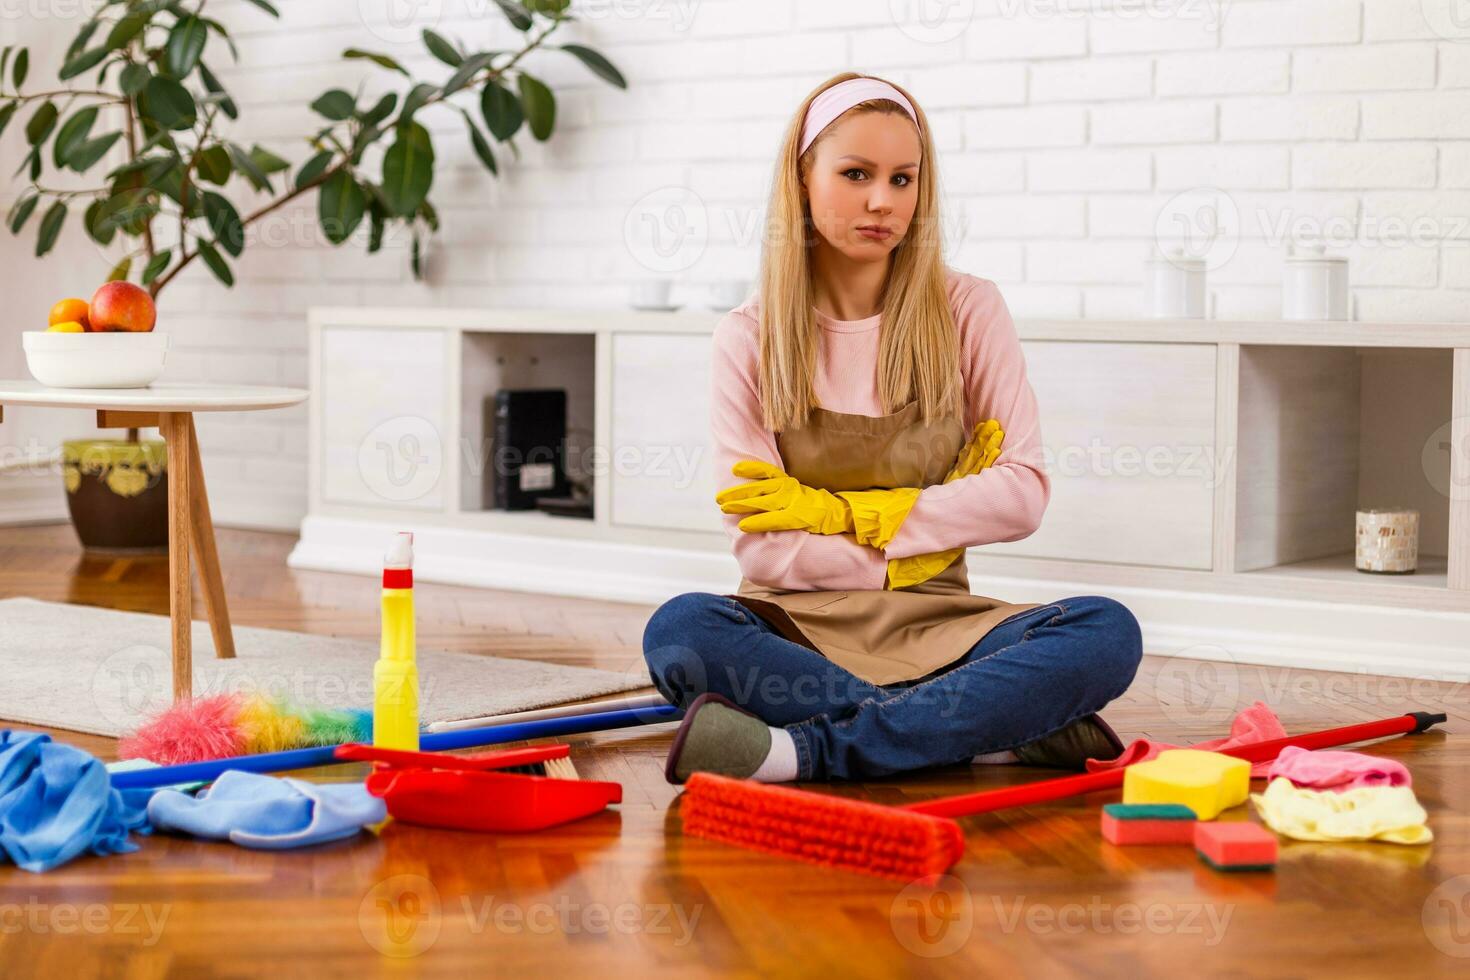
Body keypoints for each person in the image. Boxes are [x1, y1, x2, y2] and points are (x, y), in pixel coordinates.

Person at [642, 73, 1143, 784]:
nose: (884, 201)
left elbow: (1023, 494)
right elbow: (762, 552)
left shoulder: (970, 309)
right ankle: (977, 732)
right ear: (802, 179)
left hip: (943, 622)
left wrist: (845, 516)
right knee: (682, 631)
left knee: (1105, 632)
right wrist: (907, 549)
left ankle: (805, 752)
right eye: (856, 174)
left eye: (903, 179)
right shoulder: (748, 337)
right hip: (795, 630)